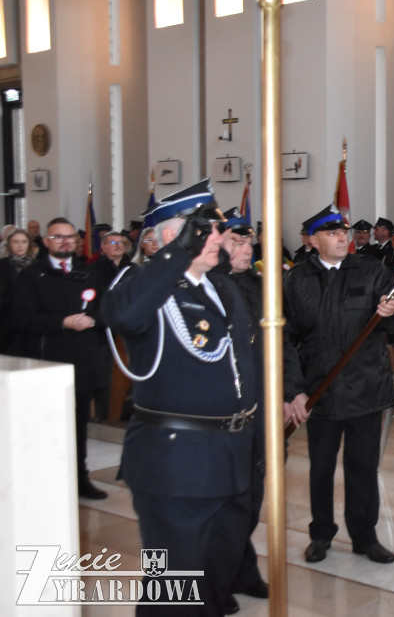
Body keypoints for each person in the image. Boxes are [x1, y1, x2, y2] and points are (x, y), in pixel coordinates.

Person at [102, 180, 260, 615]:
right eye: (207, 229)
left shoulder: (223, 287)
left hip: (231, 454)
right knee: (173, 587)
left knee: (216, 576)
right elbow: (121, 314)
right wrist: (175, 254)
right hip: (177, 463)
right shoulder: (145, 285)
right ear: (174, 236)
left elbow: (244, 370)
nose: (220, 237)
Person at [283, 205, 394, 565]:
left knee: (363, 467)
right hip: (319, 391)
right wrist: (294, 390)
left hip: (365, 387)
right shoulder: (296, 280)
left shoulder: (371, 271)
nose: (342, 238)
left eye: (344, 233)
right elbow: (286, 340)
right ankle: (321, 533)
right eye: (333, 233)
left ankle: (365, 537)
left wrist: (392, 311)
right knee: (320, 467)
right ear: (313, 239)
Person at [13, 217, 110, 500]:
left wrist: (92, 319)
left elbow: (106, 310)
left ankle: (80, 479)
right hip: (48, 363)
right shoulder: (32, 275)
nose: (65, 241)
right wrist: (62, 322)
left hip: (83, 363)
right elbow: (22, 318)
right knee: (47, 427)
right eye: (58, 237)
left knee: (79, 425)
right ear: (46, 241)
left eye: (70, 237)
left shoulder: (89, 273)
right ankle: (44, 480)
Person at [218, 209, 270, 609]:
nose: (246, 247)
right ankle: (221, 575)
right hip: (225, 410)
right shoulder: (207, 286)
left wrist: (290, 392)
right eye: (237, 240)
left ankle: (241, 566)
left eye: (249, 241)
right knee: (227, 496)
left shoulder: (258, 284)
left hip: (261, 403)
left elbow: (279, 342)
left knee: (252, 494)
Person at [87, 230, 135, 423]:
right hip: (103, 329)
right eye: (112, 243)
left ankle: (128, 411)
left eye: (121, 243)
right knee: (106, 373)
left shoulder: (133, 269)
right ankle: (106, 413)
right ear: (103, 247)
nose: (117, 246)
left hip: (128, 328)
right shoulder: (94, 269)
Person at [0, 228, 37, 353]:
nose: (20, 245)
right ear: (9, 244)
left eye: (24, 242)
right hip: (6, 320)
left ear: (29, 244)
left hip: (32, 319)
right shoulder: (2, 265)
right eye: (16, 242)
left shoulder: (38, 266)